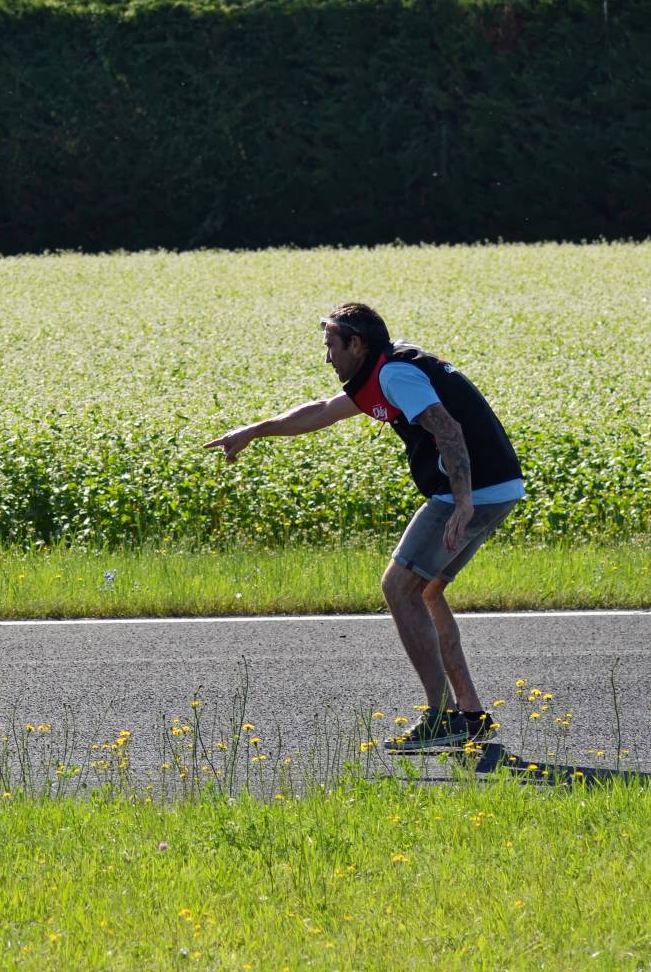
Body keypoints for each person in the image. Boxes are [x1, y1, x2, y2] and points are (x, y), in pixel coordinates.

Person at [206, 303, 524, 749]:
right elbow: (321, 411)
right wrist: (254, 431)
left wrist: (464, 502)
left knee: (399, 588)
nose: (327, 357)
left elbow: (448, 430)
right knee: (426, 591)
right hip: (500, 486)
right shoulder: (385, 368)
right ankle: (468, 712)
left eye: (332, 346)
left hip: (471, 490)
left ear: (357, 344)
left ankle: (442, 718)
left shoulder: (396, 375)